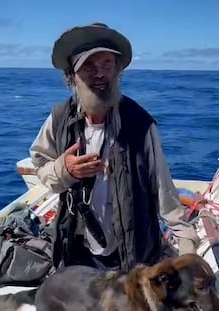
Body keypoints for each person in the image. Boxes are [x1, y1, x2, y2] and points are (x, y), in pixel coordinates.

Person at [30, 22, 200, 272]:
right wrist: (64, 169)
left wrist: (186, 247)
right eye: (88, 66)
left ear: (117, 71)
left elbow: (163, 189)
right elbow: (41, 166)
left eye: (106, 65)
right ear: (72, 76)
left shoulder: (140, 124)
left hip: (133, 255)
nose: (99, 74)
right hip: (77, 251)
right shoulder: (59, 119)